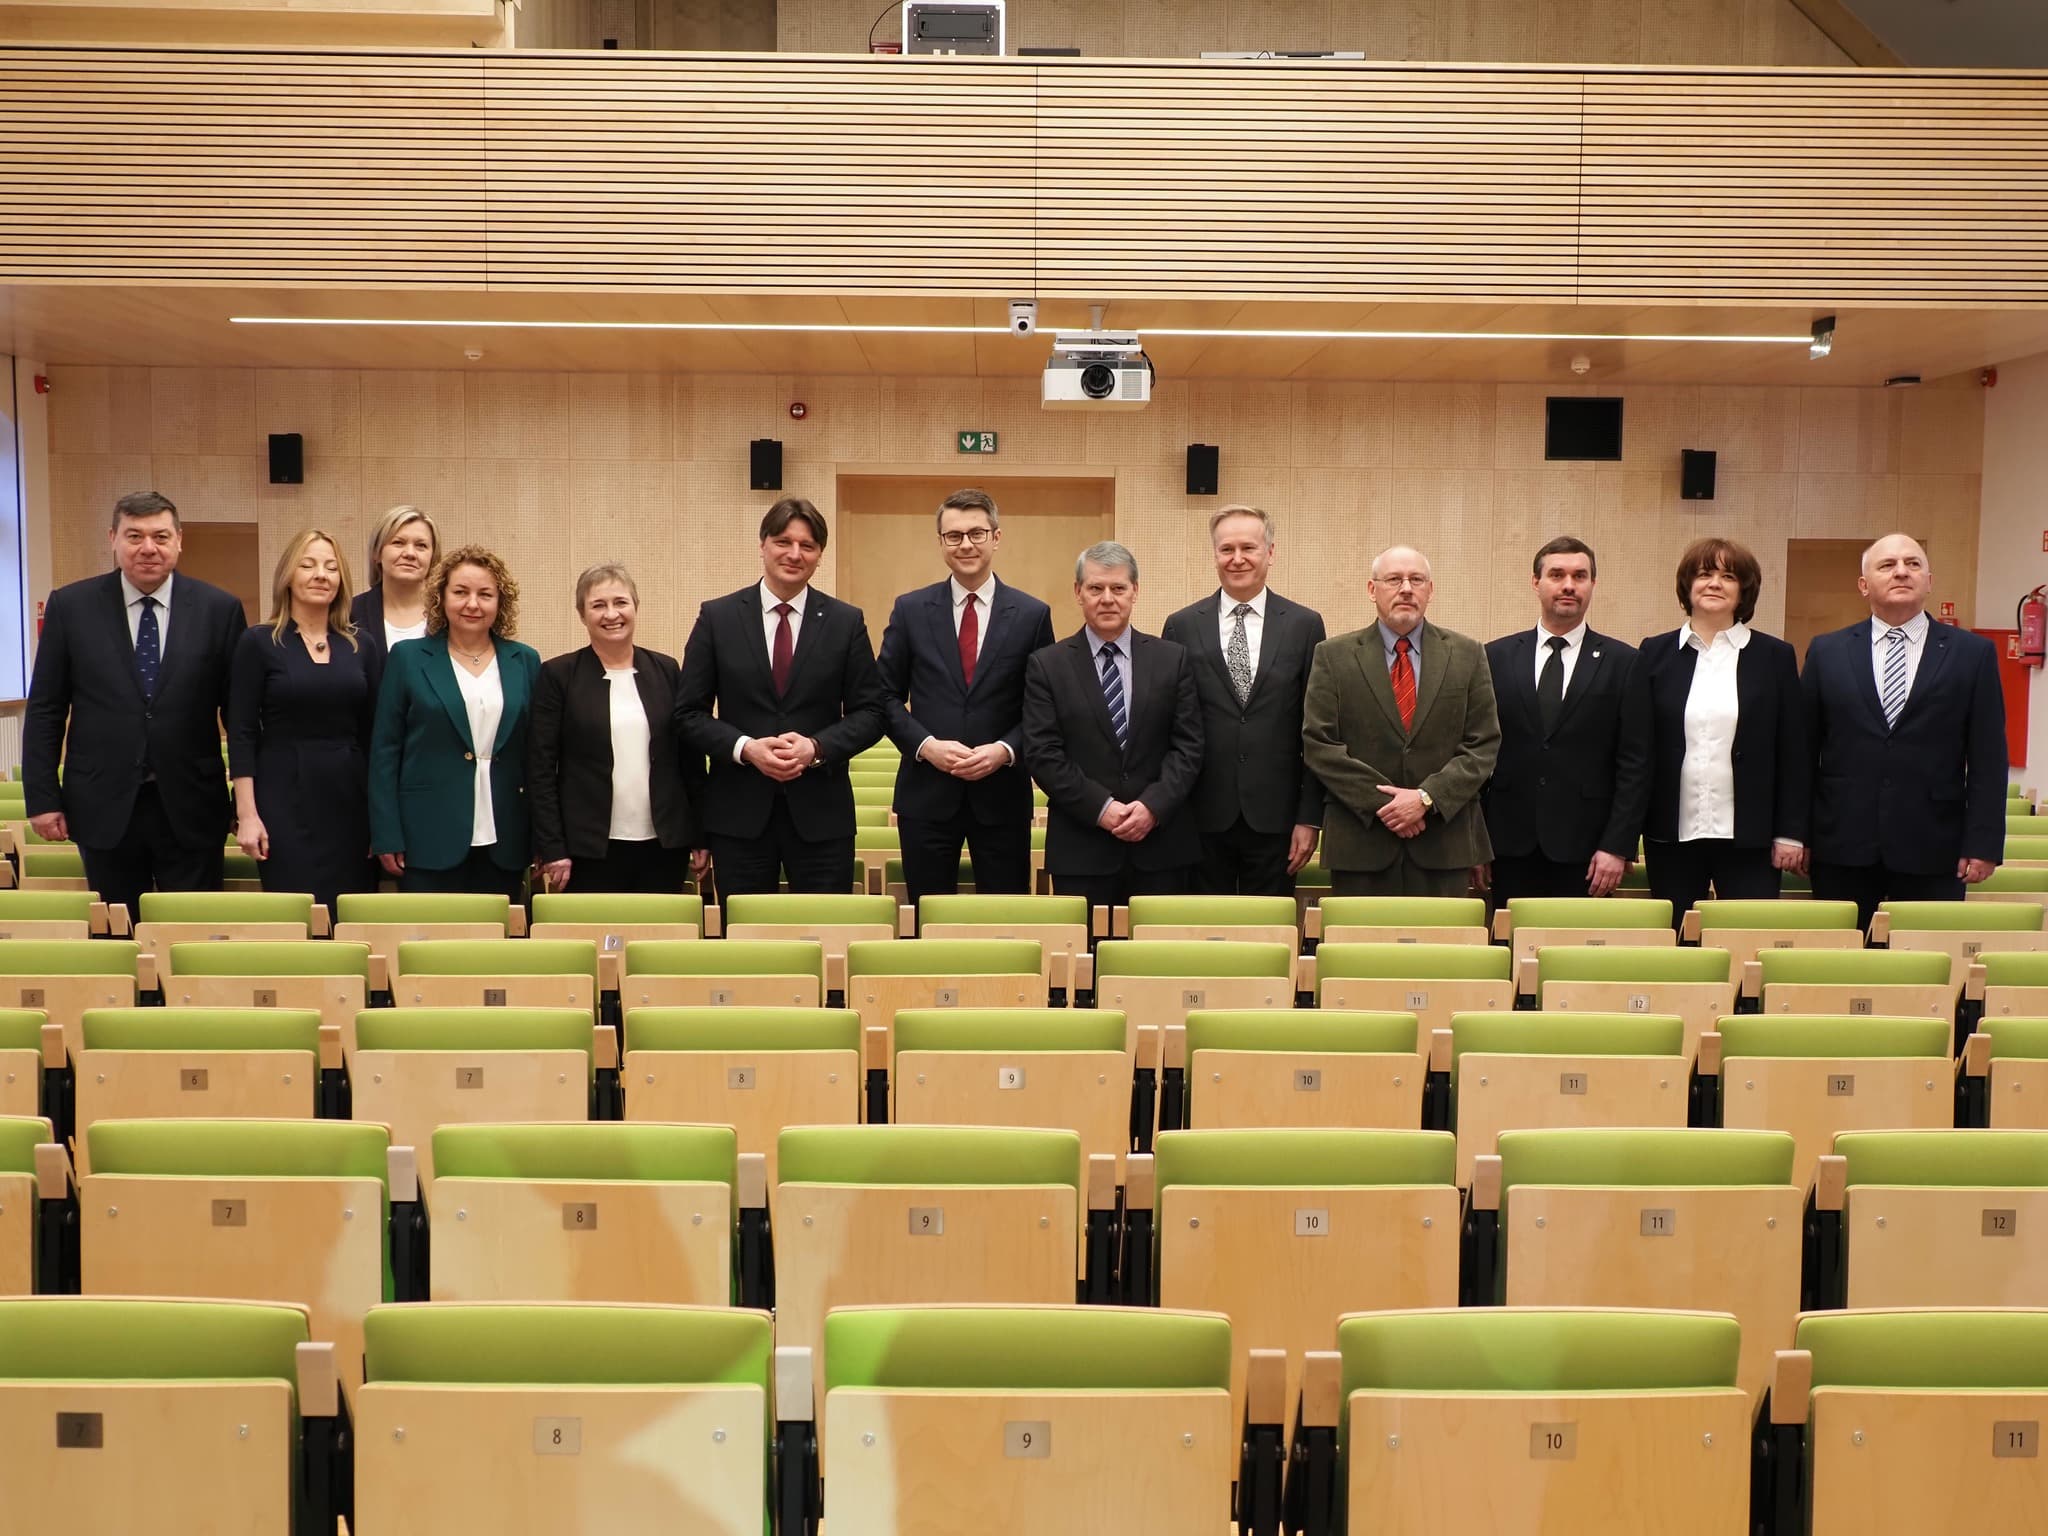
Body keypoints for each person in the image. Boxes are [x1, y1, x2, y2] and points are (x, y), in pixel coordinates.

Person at [23, 490, 248, 917]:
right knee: (117, 931)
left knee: (192, 933)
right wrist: (42, 797)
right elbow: (46, 707)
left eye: (161, 536)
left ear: (179, 540)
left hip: (192, 806)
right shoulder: (71, 607)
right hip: (102, 805)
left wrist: (246, 801)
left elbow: (237, 717)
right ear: (113, 538)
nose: (148, 548)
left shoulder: (219, 610)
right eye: (134, 536)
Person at [675, 498, 887, 896]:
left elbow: (872, 713)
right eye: (783, 541)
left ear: (820, 555)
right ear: (762, 545)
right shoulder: (717, 618)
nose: (794, 554)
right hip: (738, 814)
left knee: (825, 935)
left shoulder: (846, 622)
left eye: (807, 546)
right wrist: (746, 748)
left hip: (821, 815)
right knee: (746, 944)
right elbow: (688, 713)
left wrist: (816, 747)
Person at [1803, 532, 2005, 927]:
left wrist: (1983, 844)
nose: (1901, 572)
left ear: (1929, 581)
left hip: (1934, 844)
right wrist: (1797, 834)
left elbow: (1988, 757)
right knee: (1841, 965)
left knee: (1924, 967)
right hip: (1842, 842)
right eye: (1887, 565)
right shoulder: (1827, 651)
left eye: (1913, 564)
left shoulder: (1972, 654)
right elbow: (1803, 751)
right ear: (1864, 585)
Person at [875, 488, 1055, 907]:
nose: (966, 544)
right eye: (954, 536)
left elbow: (1043, 706)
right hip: (927, 793)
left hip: (1003, 795)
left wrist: (1006, 750)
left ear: (996, 537)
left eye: (977, 533)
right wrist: (926, 746)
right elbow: (882, 696)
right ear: (940, 543)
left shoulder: (1032, 615)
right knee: (927, 914)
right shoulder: (911, 609)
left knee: (1003, 918)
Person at [1300, 545, 1498, 897]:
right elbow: (1319, 744)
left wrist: (1425, 798)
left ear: (1430, 590)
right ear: (1372, 590)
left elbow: (1482, 745)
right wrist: (1389, 806)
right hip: (1360, 844)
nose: (1406, 588)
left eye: (1416, 579)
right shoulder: (1333, 656)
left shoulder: (1468, 654)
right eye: (1394, 579)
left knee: (1443, 951)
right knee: (1359, 951)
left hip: (1443, 843)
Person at [1020, 541, 1203, 911]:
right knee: (1084, 960)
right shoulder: (1047, 665)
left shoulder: (1172, 659)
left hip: (1161, 846)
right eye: (1095, 588)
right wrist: (1101, 808)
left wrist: (1151, 807)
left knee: (1156, 963)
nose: (1107, 598)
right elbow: (1043, 754)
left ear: (1135, 591)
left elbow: (1189, 747)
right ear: (1078, 592)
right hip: (1082, 846)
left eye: (1118, 588)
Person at [1637, 538, 1809, 921]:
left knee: (1747, 938)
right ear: (1687, 586)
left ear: (1744, 590)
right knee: (1676, 942)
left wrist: (1790, 833)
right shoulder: (1654, 654)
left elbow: (1793, 753)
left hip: (1751, 837)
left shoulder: (1774, 657)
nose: (1714, 583)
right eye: (1703, 574)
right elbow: (1638, 749)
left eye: (1728, 576)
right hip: (1672, 834)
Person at [1159, 506, 1327, 896]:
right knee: (1199, 936)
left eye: (1248, 547)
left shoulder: (1305, 625)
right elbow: (1169, 724)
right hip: (1199, 815)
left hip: (1278, 819)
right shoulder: (1181, 625)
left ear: (1271, 551)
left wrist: (1309, 817)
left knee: (1270, 934)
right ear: (1214, 555)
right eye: (1226, 549)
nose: (1237, 559)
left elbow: (1315, 728)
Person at [1480, 536, 1650, 904]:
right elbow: (1477, 753)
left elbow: (1635, 763)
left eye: (1580, 576)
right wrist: (1475, 843)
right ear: (1535, 582)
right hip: (1507, 847)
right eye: (1556, 574)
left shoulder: (1625, 662)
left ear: (1593, 585)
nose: (1568, 585)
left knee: (1581, 956)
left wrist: (1617, 847)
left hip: (1589, 853)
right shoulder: (1495, 657)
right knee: (1510, 950)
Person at [368, 545, 542, 902]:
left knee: (497, 950)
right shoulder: (408, 658)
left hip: (505, 836)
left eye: (485, 594)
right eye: (460, 592)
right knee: (431, 947)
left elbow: (536, 757)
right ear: (441, 597)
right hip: (426, 836)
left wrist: (543, 838)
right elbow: (385, 751)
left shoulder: (524, 661)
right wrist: (387, 833)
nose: (472, 604)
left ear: (500, 601)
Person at [529, 562, 709, 895]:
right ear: (583, 615)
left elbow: (690, 761)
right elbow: (540, 769)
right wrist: (553, 848)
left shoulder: (666, 670)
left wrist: (700, 834)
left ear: (635, 607)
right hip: (587, 849)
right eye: (598, 605)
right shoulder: (558, 676)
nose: (611, 614)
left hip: (663, 845)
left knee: (657, 941)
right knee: (601, 942)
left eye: (620, 602)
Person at [227, 529, 380, 909]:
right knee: (293, 911)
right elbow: (242, 732)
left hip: (350, 800)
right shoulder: (259, 642)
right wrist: (247, 815)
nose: (320, 575)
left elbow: (376, 735)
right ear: (288, 576)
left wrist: (383, 821)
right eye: (307, 565)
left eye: (331, 567)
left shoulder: (361, 645)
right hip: (282, 796)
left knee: (351, 914)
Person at [349, 504, 439, 677]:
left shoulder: (449, 614)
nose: (410, 553)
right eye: (398, 543)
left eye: (421, 545)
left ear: (433, 558)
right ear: (377, 553)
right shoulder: (349, 614)